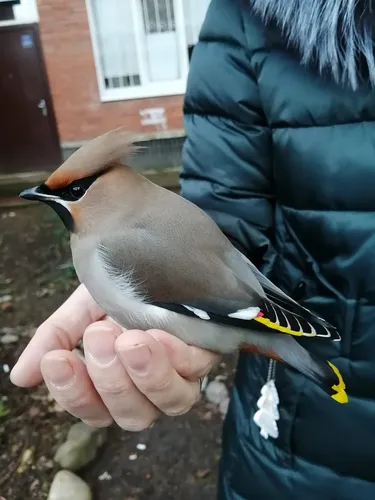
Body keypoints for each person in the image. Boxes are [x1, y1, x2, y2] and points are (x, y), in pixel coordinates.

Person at [11, 0, 375, 497]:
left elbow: (206, 280)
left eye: (72, 191)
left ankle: (322, 372)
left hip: (256, 334)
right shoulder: (249, 14)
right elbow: (227, 205)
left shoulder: (113, 252)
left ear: (110, 184)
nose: (56, 199)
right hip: (282, 450)